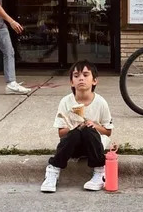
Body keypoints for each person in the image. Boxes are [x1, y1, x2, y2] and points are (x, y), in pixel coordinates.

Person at [41, 60, 114, 193]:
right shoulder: (65, 102)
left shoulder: (101, 102)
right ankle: (53, 170)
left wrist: (94, 125)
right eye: (76, 76)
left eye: (86, 75)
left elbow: (108, 132)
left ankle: (99, 171)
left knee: (88, 130)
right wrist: (73, 125)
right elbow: (61, 133)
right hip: (74, 147)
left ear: (94, 81)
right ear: (71, 82)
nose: (81, 78)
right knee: (75, 132)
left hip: (94, 146)